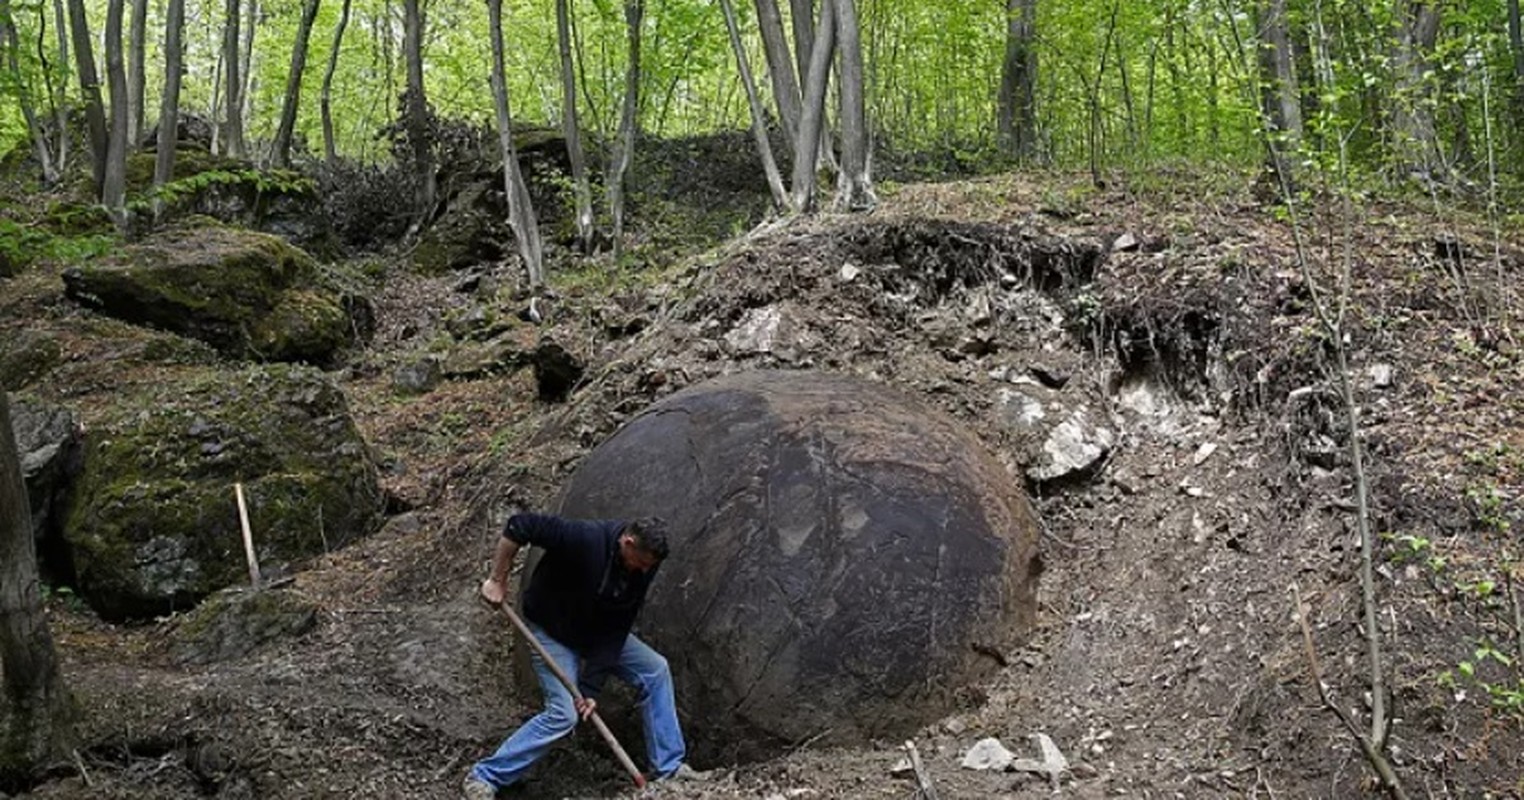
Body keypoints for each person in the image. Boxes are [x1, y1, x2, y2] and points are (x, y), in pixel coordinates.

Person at [463, 513, 708, 799]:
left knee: (655, 669)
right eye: (640, 563)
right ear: (627, 542)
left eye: (648, 566)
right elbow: (519, 525)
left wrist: (590, 688)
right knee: (564, 714)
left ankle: (669, 768)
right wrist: (497, 578)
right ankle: (485, 776)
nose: (644, 571)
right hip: (552, 631)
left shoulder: (645, 564)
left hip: (595, 631)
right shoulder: (583, 538)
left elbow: (618, 625)